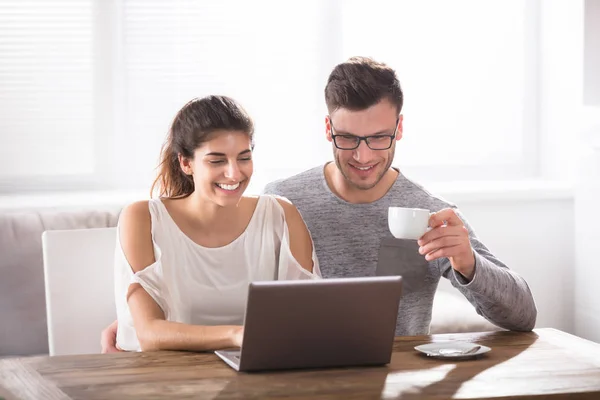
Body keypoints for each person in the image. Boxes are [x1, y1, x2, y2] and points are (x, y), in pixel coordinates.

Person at [102, 57, 536, 352]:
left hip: (396, 380)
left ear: (399, 128)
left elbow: (522, 316)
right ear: (328, 128)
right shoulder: (281, 201)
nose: (363, 155)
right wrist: (143, 326)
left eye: (379, 138)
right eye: (347, 138)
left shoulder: (430, 211)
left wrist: (468, 265)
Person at [111, 95, 319, 352]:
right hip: (163, 377)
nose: (234, 173)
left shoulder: (280, 215)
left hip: (256, 375)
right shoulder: (143, 219)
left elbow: (310, 315)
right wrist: (237, 336)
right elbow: (150, 334)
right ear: (186, 163)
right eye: (217, 160)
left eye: (244, 158)